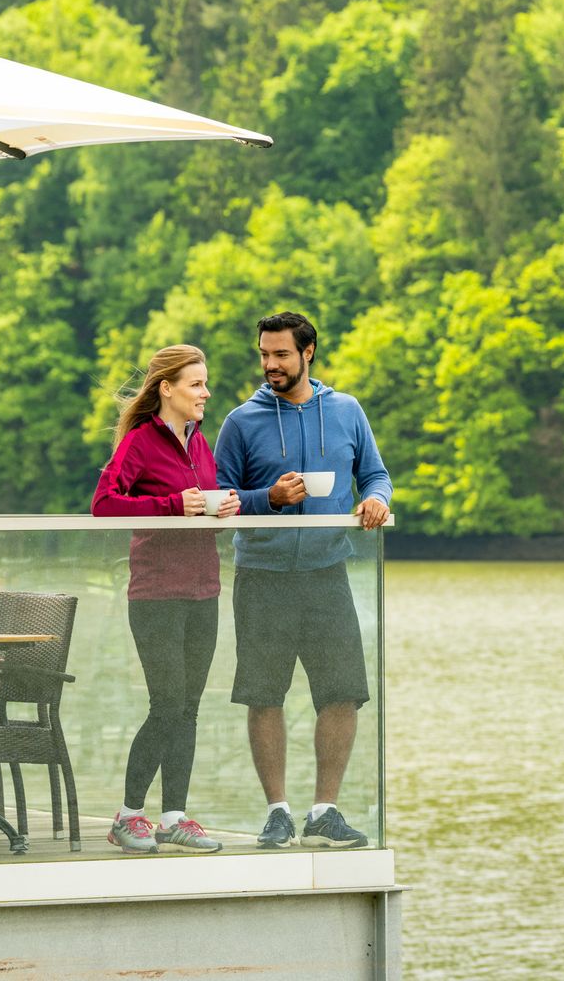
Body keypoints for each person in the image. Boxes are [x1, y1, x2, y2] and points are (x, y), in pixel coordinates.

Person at [215, 311, 392, 850]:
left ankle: (324, 811)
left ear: (308, 352)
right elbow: (219, 499)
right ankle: (278, 813)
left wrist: (375, 499)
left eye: (281, 354)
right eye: (264, 355)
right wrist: (268, 498)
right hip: (262, 575)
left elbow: (376, 474)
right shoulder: (240, 421)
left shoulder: (346, 410)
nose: (270, 364)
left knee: (342, 693)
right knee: (264, 695)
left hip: (326, 572)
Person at [92, 344, 239, 855]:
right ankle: (128, 816)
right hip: (156, 593)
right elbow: (104, 505)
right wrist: (171, 504)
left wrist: (225, 509)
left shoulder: (200, 443)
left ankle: (174, 816)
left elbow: (200, 509)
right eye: (197, 384)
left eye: (206, 383)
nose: (206, 392)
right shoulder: (140, 442)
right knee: (167, 704)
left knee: (189, 708)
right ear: (167, 388)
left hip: (204, 589)